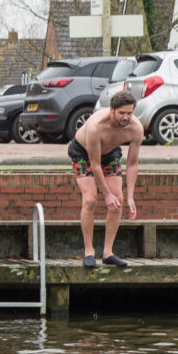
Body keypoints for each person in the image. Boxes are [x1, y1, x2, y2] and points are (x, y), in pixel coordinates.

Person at [70, 89, 143, 269]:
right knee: (90, 200)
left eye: (129, 113)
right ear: (112, 110)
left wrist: (130, 197)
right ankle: (89, 251)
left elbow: (132, 164)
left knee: (118, 199)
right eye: (121, 113)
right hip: (83, 153)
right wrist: (106, 194)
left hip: (109, 153)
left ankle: (108, 252)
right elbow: (95, 164)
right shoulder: (96, 126)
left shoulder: (136, 128)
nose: (126, 117)